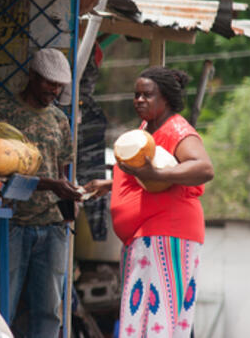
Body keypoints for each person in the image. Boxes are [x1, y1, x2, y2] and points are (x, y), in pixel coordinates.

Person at [83, 66, 214, 338]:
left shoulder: (177, 128)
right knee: (143, 320)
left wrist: (157, 174)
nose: (139, 100)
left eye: (148, 95)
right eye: (136, 94)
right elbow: (145, 177)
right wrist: (109, 185)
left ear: (165, 98)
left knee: (159, 321)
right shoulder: (148, 128)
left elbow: (203, 168)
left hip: (168, 234)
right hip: (146, 236)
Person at [0, 47, 82, 338]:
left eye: (59, 86)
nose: (54, 91)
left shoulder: (59, 120)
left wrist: (69, 197)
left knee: (49, 310)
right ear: (32, 76)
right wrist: (51, 184)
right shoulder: (2, 113)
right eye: (49, 83)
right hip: (12, 223)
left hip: (52, 227)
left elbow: (63, 169)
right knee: (3, 306)